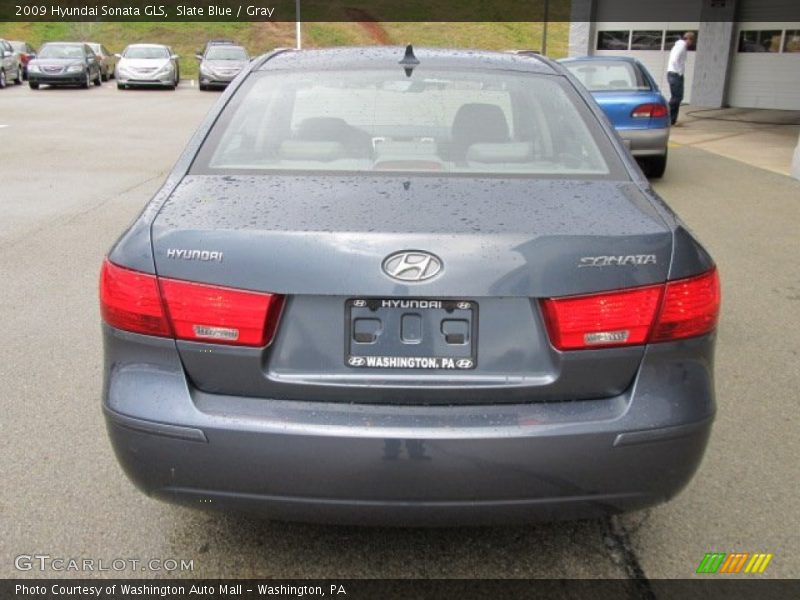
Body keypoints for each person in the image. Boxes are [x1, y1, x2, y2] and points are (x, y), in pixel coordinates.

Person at [667, 32, 696, 125]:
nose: (691, 44)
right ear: (688, 39)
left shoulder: (680, 46)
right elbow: (674, 59)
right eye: (692, 41)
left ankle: (672, 120)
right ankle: (668, 117)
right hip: (675, 74)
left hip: (674, 74)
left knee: (677, 97)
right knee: (676, 97)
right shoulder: (681, 46)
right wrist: (679, 72)